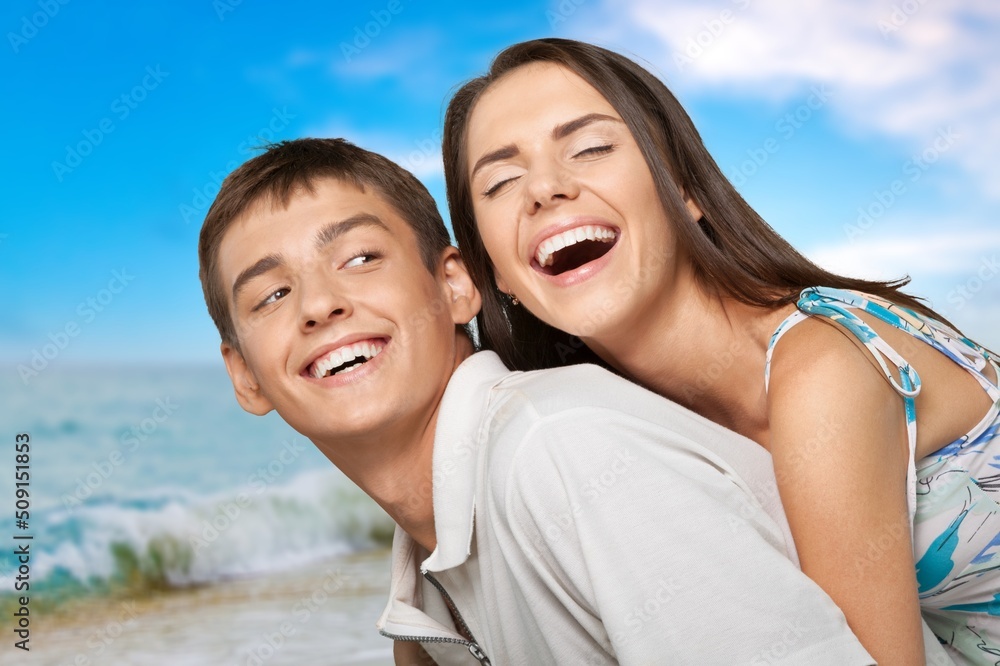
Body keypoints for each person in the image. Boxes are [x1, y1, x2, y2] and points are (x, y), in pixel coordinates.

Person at [198, 138, 880, 664]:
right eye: (271, 296)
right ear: (246, 378)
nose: (320, 304)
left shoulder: (564, 448)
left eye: (359, 259)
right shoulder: (429, 552)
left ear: (457, 285)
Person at [443, 37, 1000, 666]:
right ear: (498, 276)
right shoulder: (606, 434)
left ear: (684, 188)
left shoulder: (823, 366)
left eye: (591, 147)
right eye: (501, 181)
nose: (543, 188)